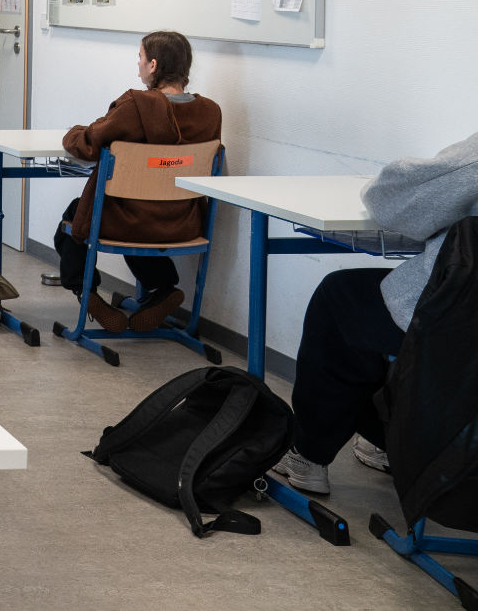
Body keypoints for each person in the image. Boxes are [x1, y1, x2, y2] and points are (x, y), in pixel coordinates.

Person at [271, 132, 478, 495]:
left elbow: (392, 200)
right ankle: (388, 440)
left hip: (461, 324)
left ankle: (308, 454)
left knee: (340, 300)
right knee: (374, 314)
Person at [52, 30, 223, 334]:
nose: (138, 66)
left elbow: (88, 145)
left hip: (130, 221)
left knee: (76, 216)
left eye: (140, 59)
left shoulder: (136, 106)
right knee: (131, 212)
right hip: (183, 222)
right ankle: (164, 290)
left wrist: (72, 132)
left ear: (154, 65)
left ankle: (86, 292)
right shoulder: (210, 112)